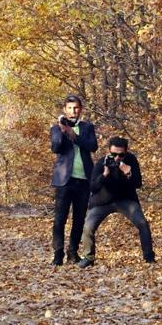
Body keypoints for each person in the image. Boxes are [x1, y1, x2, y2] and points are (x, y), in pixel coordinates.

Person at [77, 136, 155, 268]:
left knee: (142, 223)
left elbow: (138, 183)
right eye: (114, 154)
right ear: (109, 151)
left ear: (126, 152)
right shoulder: (102, 162)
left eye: (121, 154)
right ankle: (88, 257)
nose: (117, 157)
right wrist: (105, 174)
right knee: (88, 227)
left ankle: (149, 257)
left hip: (125, 200)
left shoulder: (131, 160)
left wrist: (128, 173)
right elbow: (93, 187)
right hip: (102, 201)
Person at [49, 95, 98, 266]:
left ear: (81, 109)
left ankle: (72, 252)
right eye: (70, 108)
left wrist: (74, 135)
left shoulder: (87, 127)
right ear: (65, 110)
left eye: (76, 108)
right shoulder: (56, 128)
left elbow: (93, 146)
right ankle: (58, 253)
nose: (73, 111)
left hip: (84, 180)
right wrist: (63, 132)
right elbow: (56, 148)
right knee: (60, 219)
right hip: (64, 180)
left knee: (79, 219)